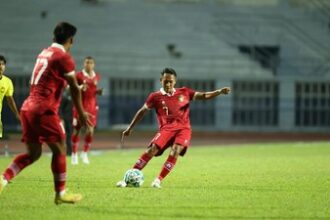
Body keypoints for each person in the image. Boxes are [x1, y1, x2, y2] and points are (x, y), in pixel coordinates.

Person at [0, 22, 91, 204]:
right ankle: (60, 194)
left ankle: (3, 178)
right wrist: (81, 113)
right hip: (44, 109)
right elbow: (74, 88)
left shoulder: (43, 53)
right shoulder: (63, 57)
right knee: (60, 149)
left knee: (34, 154)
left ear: (53, 37)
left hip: (28, 107)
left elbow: (49, 80)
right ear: (71, 40)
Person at [117, 67, 231, 188]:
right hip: (166, 129)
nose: (168, 84)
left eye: (171, 81)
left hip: (183, 129)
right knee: (152, 150)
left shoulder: (184, 92)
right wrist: (130, 128)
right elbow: (142, 111)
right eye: (165, 81)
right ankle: (127, 178)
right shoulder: (155, 96)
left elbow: (204, 95)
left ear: (175, 81)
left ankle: (158, 180)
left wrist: (218, 92)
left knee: (176, 150)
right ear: (161, 80)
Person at [71, 56, 102, 165]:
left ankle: (84, 153)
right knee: (77, 129)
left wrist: (98, 92)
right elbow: (72, 88)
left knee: (90, 131)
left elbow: (92, 91)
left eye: (91, 63)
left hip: (92, 107)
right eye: (87, 62)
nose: (88, 64)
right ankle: (74, 154)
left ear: (93, 64)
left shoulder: (96, 76)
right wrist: (80, 87)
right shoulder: (78, 75)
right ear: (84, 64)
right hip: (80, 106)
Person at [0, 55, 21, 139]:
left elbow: (10, 100)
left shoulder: (7, 82)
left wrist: (17, 114)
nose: (0, 66)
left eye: (2, 64)